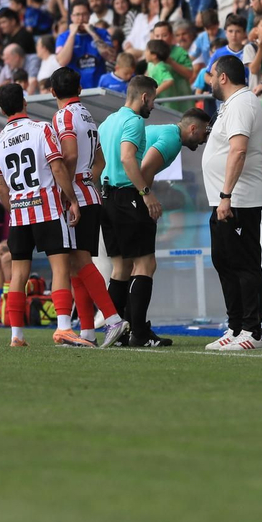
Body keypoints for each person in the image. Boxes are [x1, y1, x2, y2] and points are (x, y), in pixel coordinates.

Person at [0, 83, 94, 348]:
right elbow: (57, 167)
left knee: (18, 276)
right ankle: (63, 328)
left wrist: (14, 210)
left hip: (20, 215)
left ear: (1, 110)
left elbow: (1, 187)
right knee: (60, 268)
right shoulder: (41, 129)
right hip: (47, 208)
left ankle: (16, 336)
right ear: (25, 102)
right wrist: (71, 200)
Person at [48, 67, 130, 348]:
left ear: (52, 91)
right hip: (89, 193)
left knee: (81, 262)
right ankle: (87, 333)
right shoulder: (86, 114)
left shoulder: (63, 115)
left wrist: (67, 192)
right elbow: (100, 161)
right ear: (80, 89)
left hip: (77, 198)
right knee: (75, 265)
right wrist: (85, 180)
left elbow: (69, 154)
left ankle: (112, 319)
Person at [202, 54, 262, 351]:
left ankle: (253, 331)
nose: (210, 81)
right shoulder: (232, 104)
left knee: (244, 264)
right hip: (225, 200)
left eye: (212, 75)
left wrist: (226, 195)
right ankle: (236, 325)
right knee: (225, 262)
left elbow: (238, 151)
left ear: (223, 77)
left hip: (237, 199)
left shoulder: (242, 102)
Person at [99, 75, 168, 348]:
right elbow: (127, 157)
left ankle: (115, 330)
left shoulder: (107, 122)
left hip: (108, 196)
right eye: (153, 99)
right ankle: (139, 333)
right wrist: (146, 192)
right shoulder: (134, 121)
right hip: (128, 196)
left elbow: (103, 161)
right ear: (144, 97)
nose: (153, 104)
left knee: (120, 268)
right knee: (145, 264)